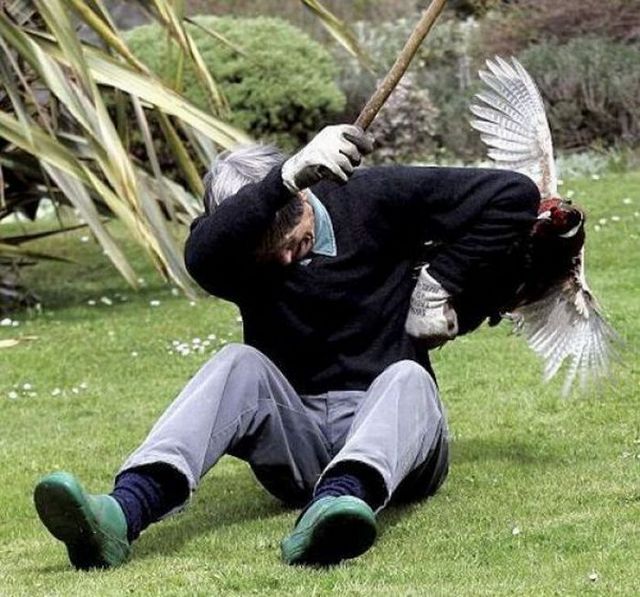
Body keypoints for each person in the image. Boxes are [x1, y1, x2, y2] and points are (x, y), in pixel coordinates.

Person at [33, 124, 540, 568]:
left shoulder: (374, 197)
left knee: (408, 378)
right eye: (268, 250)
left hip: (401, 444)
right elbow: (201, 253)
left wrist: (439, 282)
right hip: (301, 447)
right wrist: (285, 177)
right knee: (237, 363)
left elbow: (514, 195)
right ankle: (121, 514)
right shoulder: (230, 257)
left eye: (291, 237)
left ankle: (341, 505)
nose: (283, 258)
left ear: (308, 197)